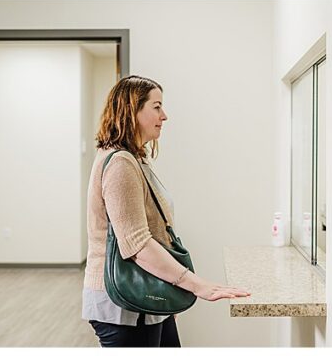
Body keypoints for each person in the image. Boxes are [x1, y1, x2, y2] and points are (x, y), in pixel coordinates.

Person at [82, 75, 250, 347]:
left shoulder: (132, 158)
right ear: (131, 110)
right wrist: (196, 285)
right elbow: (136, 244)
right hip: (124, 304)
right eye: (156, 106)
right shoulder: (120, 164)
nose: (165, 115)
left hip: (144, 296)